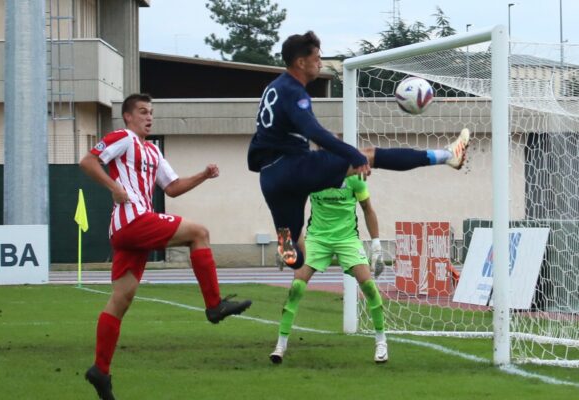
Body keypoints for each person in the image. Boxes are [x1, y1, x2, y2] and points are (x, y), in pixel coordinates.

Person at [247, 31, 470, 271]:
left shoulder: (274, 87)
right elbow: (311, 129)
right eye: (316, 58)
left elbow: (288, 131)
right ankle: (448, 155)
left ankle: (285, 248)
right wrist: (351, 155)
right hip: (295, 169)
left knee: (294, 258)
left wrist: (327, 142)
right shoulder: (294, 91)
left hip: (270, 178)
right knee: (369, 154)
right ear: (301, 62)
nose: (320, 63)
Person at [80, 93, 252, 400]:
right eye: (143, 112)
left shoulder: (152, 151)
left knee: (121, 299)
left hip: (131, 231)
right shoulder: (123, 137)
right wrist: (114, 186)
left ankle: (100, 371)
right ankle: (214, 305)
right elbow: (88, 161)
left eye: (151, 113)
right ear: (128, 117)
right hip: (132, 221)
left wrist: (203, 175)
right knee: (199, 232)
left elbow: (171, 187)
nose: (149, 117)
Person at [269, 175, 389, 364]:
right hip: (317, 240)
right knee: (297, 287)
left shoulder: (354, 178)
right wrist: (285, 242)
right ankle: (281, 345)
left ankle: (381, 342)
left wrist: (376, 247)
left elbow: (367, 209)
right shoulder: (312, 174)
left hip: (347, 239)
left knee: (368, 285)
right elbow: (291, 206)